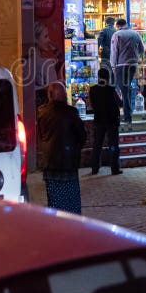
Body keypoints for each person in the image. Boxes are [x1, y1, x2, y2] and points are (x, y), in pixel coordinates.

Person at [37, 82, 87, 214]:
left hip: (50, 163)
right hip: (68, 161)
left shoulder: (42, 112)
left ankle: (58, 225)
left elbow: (41, 136)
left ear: (50, 96)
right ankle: (71, 225)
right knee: (71, 200)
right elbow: (81, 136)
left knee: (55, 200)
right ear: (64, 96)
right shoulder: (71, 112)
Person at [110, 18, 145, 125]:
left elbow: (114, 51)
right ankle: (129, 111)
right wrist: (135, 56)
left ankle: (128, 116)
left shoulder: (117, 35)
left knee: (124, 90)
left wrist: (113, 66)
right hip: (133, 65)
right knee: (127, 88)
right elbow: (142, 49)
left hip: (121, 65)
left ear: (118, 25)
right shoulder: (136, 34)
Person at [89, 67, 123, 175]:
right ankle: (114, 168)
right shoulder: (111, 89)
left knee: (97, 144)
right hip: (111, 120)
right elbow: (120, 103)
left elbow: (92, 105)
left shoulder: (93, 89)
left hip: (99, 119)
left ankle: (95, 168)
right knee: (113, 144)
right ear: (108, 77)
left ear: (98, 77)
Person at [34, 20, 64, 107]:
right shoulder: (47, 64)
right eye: (46, 36)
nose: (49, 40)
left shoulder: (28, 62)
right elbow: (55, 92)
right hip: (47, 109)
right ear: (36, 39)